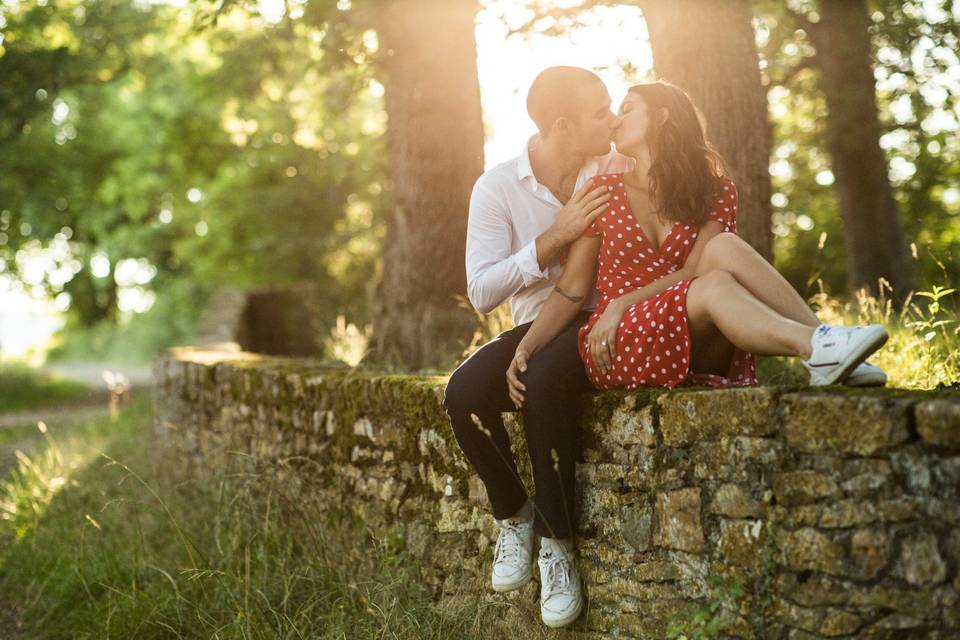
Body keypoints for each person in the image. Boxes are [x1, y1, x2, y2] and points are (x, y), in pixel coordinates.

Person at [508, 79, 888, 407]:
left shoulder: (714, 189)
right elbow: (572, 287)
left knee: (721, 249)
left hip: (692, 321)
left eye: (627, 109)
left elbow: (694, 270)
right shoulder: (603, 190)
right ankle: (819, 347)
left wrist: (622, 302)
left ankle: (827, 346)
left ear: (661, 116)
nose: (615, 121)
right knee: (715, 281)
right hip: (620, 336)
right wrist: (527, 346)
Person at [442, 66, 632, 628]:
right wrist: (552, 238)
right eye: (602, 112)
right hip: (534, 327)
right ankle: (515, 514)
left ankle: (558, 545)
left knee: (543, 380)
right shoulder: (496, 187)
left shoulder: (615, 167)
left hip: (604, 323)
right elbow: (481, 290)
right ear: (564, 125)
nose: (614, 119)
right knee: (463, 391)